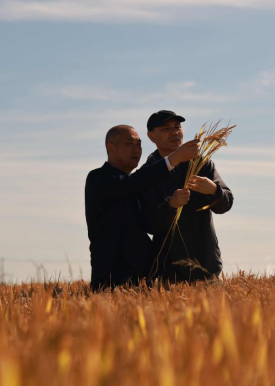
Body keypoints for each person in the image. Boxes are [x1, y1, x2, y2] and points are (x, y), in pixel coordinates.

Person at [85, 124, 199, 291]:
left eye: (139, 144)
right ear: (111, 148)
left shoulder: (135, 183)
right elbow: (132, 183)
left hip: (144, 283)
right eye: (129, 144)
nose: (136, 149)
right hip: (111, 284)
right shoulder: (98, 178)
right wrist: (174, 158)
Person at [141, 110, 233, 283]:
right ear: (151, 136)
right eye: (166, 128)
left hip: (207, 270)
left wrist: (214, 190)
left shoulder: (201, 164)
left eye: (177, 127)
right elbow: (149, 224)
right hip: (168, 274)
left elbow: (226, 204)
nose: (175, 132)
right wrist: (170, 206)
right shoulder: (147, 174)